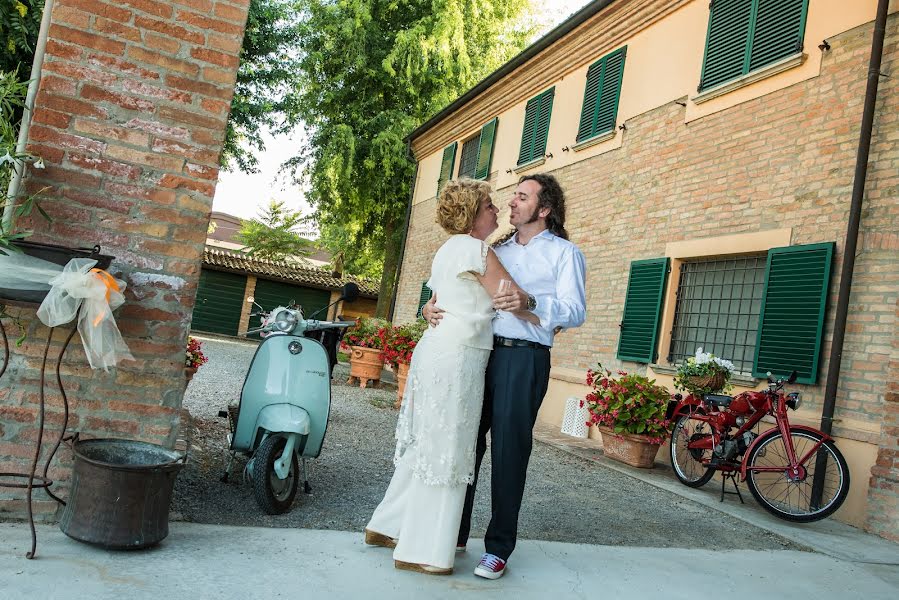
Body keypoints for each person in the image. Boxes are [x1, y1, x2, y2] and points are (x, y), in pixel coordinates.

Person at [364, 178, 539, 575]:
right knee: (449, 444)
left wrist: (429, 308)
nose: (496, 211)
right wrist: (541, 313)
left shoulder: (447, 249)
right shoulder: (478, 250)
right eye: (489, 206)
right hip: (460, 355)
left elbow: (438, 298)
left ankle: (388, 525)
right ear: (473, 215)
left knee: (428, 439)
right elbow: (509, 299)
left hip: (433, 349)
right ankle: (424, 549)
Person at [422, 173, 587, 580]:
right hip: (480, 354)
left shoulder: (565, 254)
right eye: (511, 196)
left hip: (525, 359)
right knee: (467, 443)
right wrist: (429, 306)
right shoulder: (494, 249)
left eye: (522, 197)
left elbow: (575, 310)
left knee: (509, 453)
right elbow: (453, 287)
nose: (511, 203)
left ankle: (498, 548)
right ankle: (454, 533)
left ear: (544, 209)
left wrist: (530, 301)